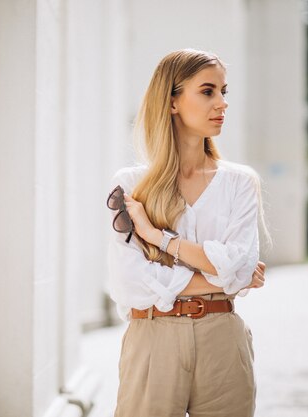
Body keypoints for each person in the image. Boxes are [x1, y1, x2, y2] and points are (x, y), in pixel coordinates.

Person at [106, 48, 271, 417]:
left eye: (224, 92)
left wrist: (158, 238)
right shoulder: (132, 185)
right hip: (152, 340)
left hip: (222, 341)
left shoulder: (240, 183)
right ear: (173, 102)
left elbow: (240, 269)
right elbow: (128, 282)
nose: (222, 103)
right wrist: (223, 276)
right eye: (208, 91)